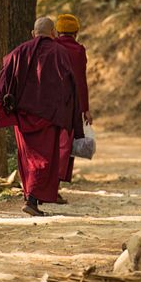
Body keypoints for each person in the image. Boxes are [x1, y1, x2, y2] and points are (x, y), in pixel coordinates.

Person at [0, 17, 83, 216]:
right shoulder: (60, 53)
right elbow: (70, 87)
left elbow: (4, 80)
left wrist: (4, 108)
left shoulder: (17, 52)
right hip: (50, 115)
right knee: (45, 159)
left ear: (33, 33)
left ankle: (29, 197)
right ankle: (32, 200)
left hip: (23, 116)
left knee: (28, 157)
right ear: (53, 33)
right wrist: (70, 115)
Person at [55, 14, 92, 195]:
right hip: (73, 104)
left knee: (53, 143)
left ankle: (49, 186)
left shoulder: (52, 47)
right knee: (67, 142)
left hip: (51, 104)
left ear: (57, 31)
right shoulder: (78, 50)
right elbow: (81, 81)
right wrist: (85, 109)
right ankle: (57, 183)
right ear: (76, 32)